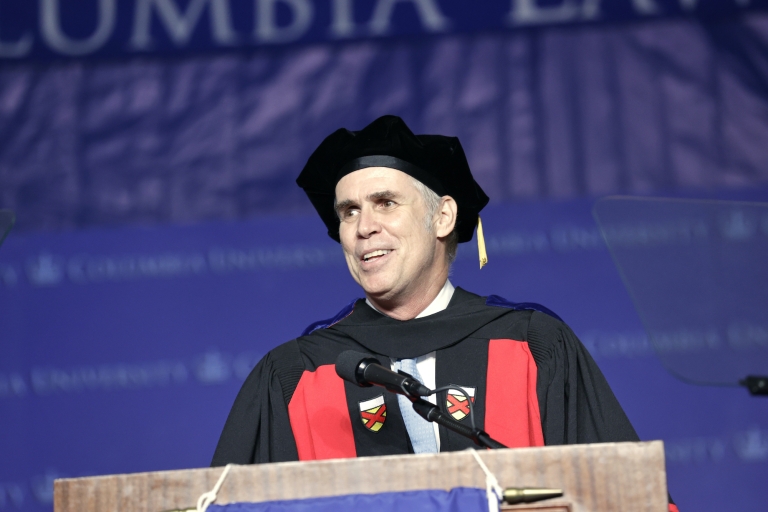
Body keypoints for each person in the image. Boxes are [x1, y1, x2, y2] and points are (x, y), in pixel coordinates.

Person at [212, 115, 641, 465]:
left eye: (386, 203)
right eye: (349, 212)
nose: (364, 228)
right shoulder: (296, 373)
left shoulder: (533, 346)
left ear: (443, 217)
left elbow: (620, 495)